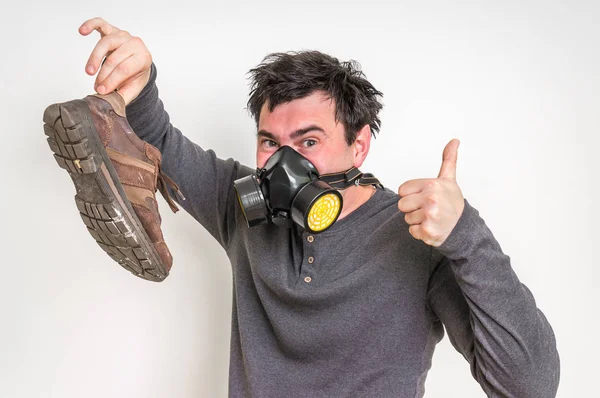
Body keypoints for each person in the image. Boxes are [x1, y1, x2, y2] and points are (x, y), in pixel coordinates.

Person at [77, 17, 560, 397]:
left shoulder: (417, 238)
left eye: (309, 140)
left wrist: (464, 234)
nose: (284, 162)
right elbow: (155, 142)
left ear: (359, 146)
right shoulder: (243, 205)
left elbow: (529, 387)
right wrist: (139, 79)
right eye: (270, 142)